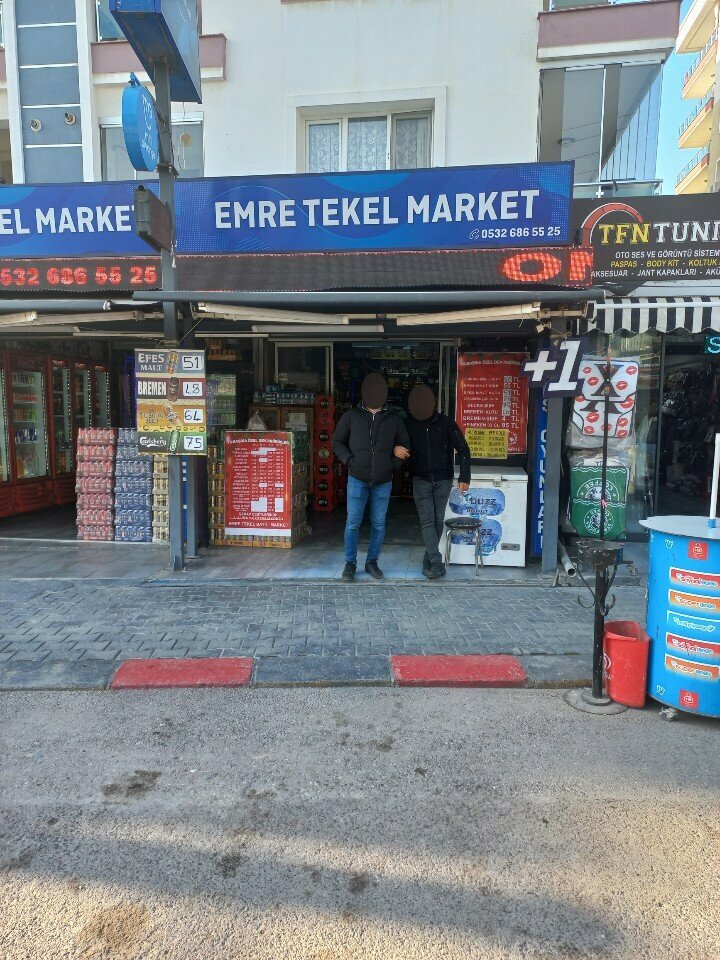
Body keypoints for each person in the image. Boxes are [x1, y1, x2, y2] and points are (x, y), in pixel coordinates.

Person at [333, 373, 411, 581]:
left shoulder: (394, 419)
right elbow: (337, 442)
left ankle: (371, 562)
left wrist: (391, 466)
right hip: (357, 478)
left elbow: (406, 446)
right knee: (352, 522)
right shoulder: (351, 416)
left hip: (383, 481)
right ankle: (350, 563)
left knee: (378, 523)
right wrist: (350, 461)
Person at [406, 383, 471, 579]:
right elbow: (397, 444)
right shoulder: (408, 424)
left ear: (433, 401)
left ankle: (429, 555)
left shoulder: (446, 423)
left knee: (436, 520)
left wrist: (464, 476)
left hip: (443, 479)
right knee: (427, 521)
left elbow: (463, 449)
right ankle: (436, 561)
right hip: (420, 479)